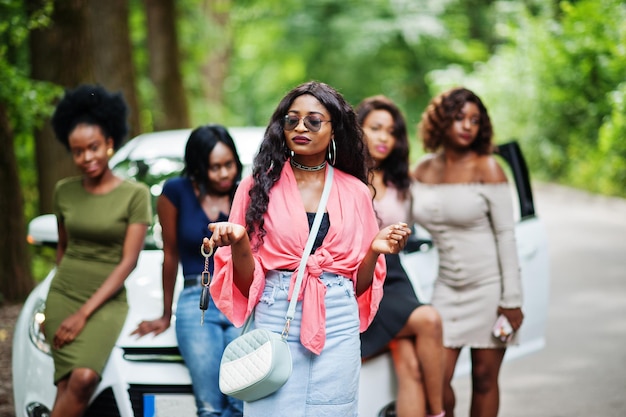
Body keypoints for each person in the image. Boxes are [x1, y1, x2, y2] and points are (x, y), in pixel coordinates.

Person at [202, 81, 412, 417]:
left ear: (334, 129)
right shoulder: (258, 187)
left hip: (338, 321)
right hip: (276, 316)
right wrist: (239, 241)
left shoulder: (356, 192)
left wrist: (374, 251)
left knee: (335, 410)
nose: (300, 127)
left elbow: (359, 288)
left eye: (313, 120)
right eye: (292, 119)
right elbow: (246, 285)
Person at [411, 87, 524, 417]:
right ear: (441, 121)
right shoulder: (423, 169)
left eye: (474, 120)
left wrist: (512, 300)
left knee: (485, 378)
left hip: (490, 289)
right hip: (446, 289)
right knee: (436, 381)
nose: (466, 126)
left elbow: (506, 236)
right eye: (459, 118)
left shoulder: (488, 168)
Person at [44, 84, 152, 417]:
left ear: (109, 144)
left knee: (84, 378)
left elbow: (128, 262)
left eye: (93, 147)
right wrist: (64, 300)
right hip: (64, 294)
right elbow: (64, 248)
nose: (87, 157)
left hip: (106, 300)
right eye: (78, 151)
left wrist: (83, 314)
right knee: (65, 384)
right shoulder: (65, 191)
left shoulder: (135, 195)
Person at [132, 125, 244, 417]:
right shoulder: (175, 191)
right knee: (210, 406)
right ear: (197, 167)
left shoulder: (246, 193)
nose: (223, 174)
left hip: (240, 300)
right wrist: (166, 314)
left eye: (228, 165)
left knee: (242, 402)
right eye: (214, 167)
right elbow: (169, 255)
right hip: (197, 299)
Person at [356, 95, 445, 417]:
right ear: (358, 129)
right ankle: (439, 413)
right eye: (375, 128)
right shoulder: (345, 177)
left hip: (395, 274)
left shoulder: (400, 181)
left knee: (411, 367)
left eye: (391, 131)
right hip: (362, 276)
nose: (384, 137)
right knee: (430, 320)